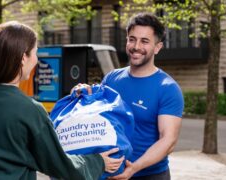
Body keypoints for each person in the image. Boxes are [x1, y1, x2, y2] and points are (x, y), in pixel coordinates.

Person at [0, 21, 124, 180]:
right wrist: (98, 161)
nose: (37, 60)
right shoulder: (30, 110)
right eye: (35, 53)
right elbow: (60, 165)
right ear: (23, 58)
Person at [74, 13, 184, 180]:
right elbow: (96, 115)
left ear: (157, 47)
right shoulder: (111, 78)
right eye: (132, 39)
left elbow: (168, 141)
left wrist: (134, 168)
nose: (136, 46)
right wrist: (84, 93)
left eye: (144, 41)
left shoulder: (168, 88)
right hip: (111, 172)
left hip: (149, 175)